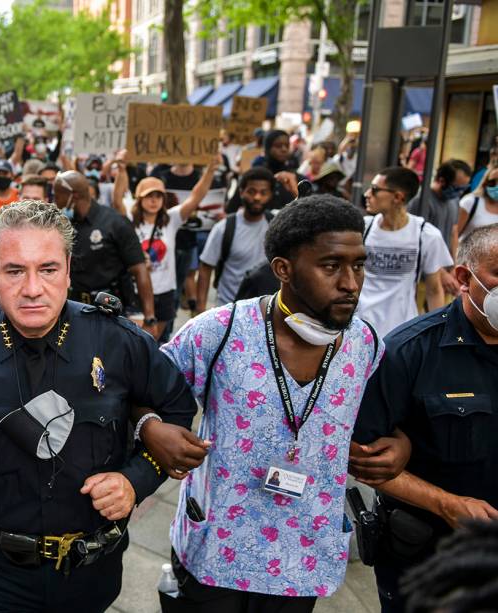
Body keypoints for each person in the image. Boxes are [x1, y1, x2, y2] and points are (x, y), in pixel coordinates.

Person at [0, 199, 201, 612]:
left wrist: (136, 480)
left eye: (47, 269)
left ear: (67, 268)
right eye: (14, 270)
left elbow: (175, 412)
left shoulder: (119, 341)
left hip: (92, 569)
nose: (32, 288)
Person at [160, 194, 406, 612]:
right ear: (283, 269)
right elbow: (146, 393)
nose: (351, 282)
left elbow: (380, 419)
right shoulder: (219, 331)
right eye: (331, 266)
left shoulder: (365, 343)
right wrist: (152, 427)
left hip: (304, 559)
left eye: (359, 265)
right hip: (216, 555)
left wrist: (401, 443)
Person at [351, 223, 498, 613]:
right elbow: (362, 455)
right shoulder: (409, 352)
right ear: (465, 278)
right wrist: (446, 504)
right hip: (430, 560)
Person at [54, 171, 157, 336]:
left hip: (110, 311)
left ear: (73, 195)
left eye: (57, 195)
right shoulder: (65, 225)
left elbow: (140, 270)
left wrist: (150, 318)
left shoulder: (115, 223)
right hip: (75, 310)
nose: (54, 200)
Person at [357, 167, 453, 337]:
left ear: (398, 197)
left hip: (402, 333)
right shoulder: (363, 228)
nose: (367, 194)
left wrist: (439, 334)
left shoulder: (425, 234)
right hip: (360, 329)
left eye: (375, 189)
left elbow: (434, 290)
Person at [131, 159, 220, 341]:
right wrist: (120, 168)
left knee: (157, 339)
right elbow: (117, 200)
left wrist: (210, 170)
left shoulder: (170, 220)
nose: (154, 200)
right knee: (140, 341)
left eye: (158, 196)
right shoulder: (129, 222)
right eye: (149, 196)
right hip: (137, 292)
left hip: (165, 292)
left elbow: (196, 197)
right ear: (139, 199)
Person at [196, 167, 278, 313]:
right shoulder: (224, 228)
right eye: (252, 191)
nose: (257, 197)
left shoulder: (277, 226)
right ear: (241, 192)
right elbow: (206, 267)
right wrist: (201, 309)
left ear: (271, 195)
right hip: (229, 310)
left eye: (263, 192)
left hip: (266, 312)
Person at [407, 159, 472, 258]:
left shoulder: (454, 200)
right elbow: (415, 238)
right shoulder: (422, 201)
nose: (460, 193)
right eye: (456, 188)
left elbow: (453, 231)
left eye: (463, 189)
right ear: (442, 181)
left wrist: (454, 263)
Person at [226, 130, 298, 214]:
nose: (284, 149)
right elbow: (231, 208)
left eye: (287, 145)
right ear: (268, 147)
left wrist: (295, 191)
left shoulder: (295, 177)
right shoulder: (254, 175)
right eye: (278, 146)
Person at [457, 164, 498, 242]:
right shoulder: (470, 202)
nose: (496, 186)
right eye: (492, 182)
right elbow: (454, 235)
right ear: (485, 182)